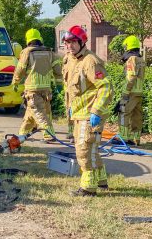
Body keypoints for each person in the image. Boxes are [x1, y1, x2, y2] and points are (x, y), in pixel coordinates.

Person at [63, 25, 113, 197]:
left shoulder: (91, 61)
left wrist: (96, 111)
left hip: (89, 113)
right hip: (79, 112)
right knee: (91, 149)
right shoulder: (71, 59)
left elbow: (106, 87)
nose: (69, 46)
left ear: (81, 42)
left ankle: (88, 189)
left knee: (83, 150)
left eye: (72, 42)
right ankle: (101, 181)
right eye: (67, 42)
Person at [12, 28, 62, 142]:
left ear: (28, 40)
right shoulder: (50, 52)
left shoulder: (27, 52)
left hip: (32, 89)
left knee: (39, 113)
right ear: (40, 39)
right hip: (46, 90)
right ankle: (22, 134)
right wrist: (59, 85)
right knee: (34, 113)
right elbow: (58, 70)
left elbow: (20, 69)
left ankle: (49, 134)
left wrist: (15, 82)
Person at [118, 35, 145, 146]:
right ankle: (136, 139)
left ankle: (123, 138)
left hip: (131, 92)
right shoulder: (140, 59)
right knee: (137, 116)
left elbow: (131, 77)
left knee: (124, 113)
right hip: (139, 92)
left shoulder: (131, 59)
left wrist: (125, 93)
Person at [62, 47, 77, 143]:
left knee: (75, 112)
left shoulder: (80, 58)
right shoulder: (67, 58)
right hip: (68, 91)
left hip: (76, 92)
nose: (68, 46)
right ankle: (71, 132)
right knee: (69, 111)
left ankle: (76, 134)